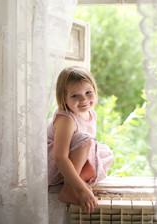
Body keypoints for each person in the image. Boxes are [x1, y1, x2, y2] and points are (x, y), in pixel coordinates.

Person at [47, 65, 113, 215]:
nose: (83, 99)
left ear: (95, 91)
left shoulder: (91, 113)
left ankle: (75, 181)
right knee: (86, 139)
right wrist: (81, 190)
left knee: (104, 153)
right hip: (53, 165)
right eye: (75, 96)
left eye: (88, 92)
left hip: (71, 161)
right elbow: (60, 157)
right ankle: (70, 188)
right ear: (63, 98)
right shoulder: (66, 119)